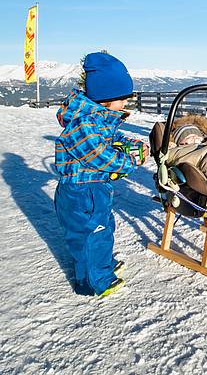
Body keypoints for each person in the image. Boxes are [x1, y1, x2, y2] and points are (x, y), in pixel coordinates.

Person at [53, 51, 148, 298]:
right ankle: (96, 281)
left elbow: (111, 137)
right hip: (82, 191)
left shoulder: (97, 118)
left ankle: (99, 265)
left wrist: (129, 143)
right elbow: (101, 156)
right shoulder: (84, 125)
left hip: (95, 188)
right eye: (123, 100)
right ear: (107, 97)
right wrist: (131, 160)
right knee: (91, 233)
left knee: (103, 228)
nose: (126, 105)